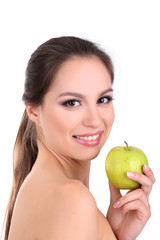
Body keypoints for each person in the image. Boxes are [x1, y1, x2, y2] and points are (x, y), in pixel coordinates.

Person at [3, 36, 155, 240]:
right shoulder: (72, 199)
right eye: (72, 103)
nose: (94, 120)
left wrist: (118, 236)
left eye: (103, 99)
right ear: (34, 111)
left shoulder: (43, 190)